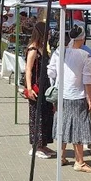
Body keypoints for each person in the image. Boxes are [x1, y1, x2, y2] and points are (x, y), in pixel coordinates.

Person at [47, 24, 91, 172]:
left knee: (63, 124)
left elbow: (51, 72)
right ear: (82, 38)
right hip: (76, 96)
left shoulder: (59, 52)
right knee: (78, 128)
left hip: (61, 95)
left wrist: (56, 84)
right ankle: (79, 161)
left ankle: (61, 156)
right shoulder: (84, 56)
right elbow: (88, 80)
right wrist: (89, 98)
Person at [24, 23, 56, 159]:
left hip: (45, 86)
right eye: (47, 33)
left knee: (46, 114)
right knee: (37, 116)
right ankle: (36, 146)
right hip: (37, 86)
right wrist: (30, 88)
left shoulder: (43, 48)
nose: (49, 35)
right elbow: (28, 69)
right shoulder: (33, 49)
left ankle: (43, 144)